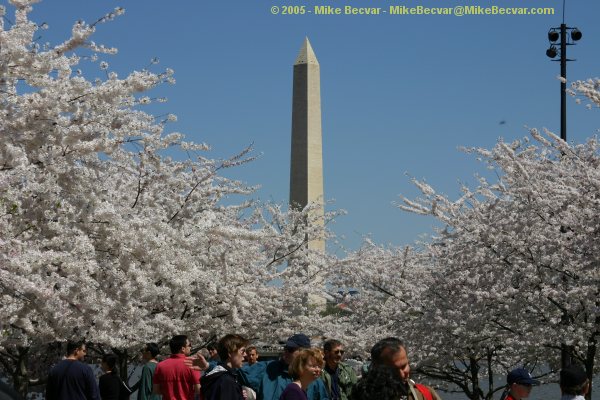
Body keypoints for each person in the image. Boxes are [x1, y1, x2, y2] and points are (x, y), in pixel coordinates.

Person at [239, 333, 328, 400]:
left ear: (303, 353)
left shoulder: (313, 379)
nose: (285, 352)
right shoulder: (268, 368)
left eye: (290, 350)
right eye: (285, 348)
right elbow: (237, 373)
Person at [359, 337, 440, 400]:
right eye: (393, 370)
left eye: (404, 366)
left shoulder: (425, 394)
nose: (401, 374)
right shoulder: (362, 396)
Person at [201, 334, 249, 400]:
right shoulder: (226, 381)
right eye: (242, 351)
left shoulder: (221, 375)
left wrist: (238, 394)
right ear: (230, 353)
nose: (245, 354)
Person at [153, 335, 201, 400]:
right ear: (183, 349)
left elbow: (156, 390)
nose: (191, 347)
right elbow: (198, 389)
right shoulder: (192, 364)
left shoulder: (160, 366)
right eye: (189, 345)